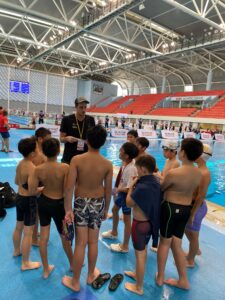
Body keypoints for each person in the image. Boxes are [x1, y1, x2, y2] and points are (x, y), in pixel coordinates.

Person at [62, 125, 113, 292]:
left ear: (87, 141)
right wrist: (105, 209)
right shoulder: (107, 164)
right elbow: (108, 189)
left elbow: (69, 187)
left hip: (81, 203)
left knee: (80, 244)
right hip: (98, 203)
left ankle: (75, 282)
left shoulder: (77, 160)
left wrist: (68, 209)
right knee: (93, 242)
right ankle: (91, 275)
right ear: (103, 143)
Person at [156, 138, 203, 290]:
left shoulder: (174, 173)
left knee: (164, 243)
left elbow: (162, 187)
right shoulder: (198, 173)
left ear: (182, 153)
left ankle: (160, 277)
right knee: (177, 244)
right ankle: (183, 280)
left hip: (170, 208)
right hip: (185, 210)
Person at [29, 138, 73, 279]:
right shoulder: (65, 168)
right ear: (58, 150)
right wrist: (68, 210)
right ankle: (73, 264)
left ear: (43, 151)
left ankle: (46, 269)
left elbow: (32, 191)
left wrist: (42, 188)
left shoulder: (38, 169)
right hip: (59, 205)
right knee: (65, 237)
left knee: (44, 237)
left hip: (44, 203)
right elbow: (67, 191)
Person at [124, 155, 161, 295]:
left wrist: (131, 186)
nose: (136, 171)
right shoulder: (156, 182)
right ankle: (136, 274)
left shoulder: (141, 186)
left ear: (143, 169)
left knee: (140, 255)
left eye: (137, 168)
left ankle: (138, 287)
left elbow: (129, 202)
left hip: (140, 225)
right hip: (151, 224)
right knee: (143, 251)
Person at [102, 142, 138, 253]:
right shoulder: (126, 163)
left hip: (127, 195)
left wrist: (117, 190)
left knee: (127, 220)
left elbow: (130, 188)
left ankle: (125, 246)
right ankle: (114, 232)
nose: (119, 152)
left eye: (121, 151)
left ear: (127, 155)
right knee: (114, 210)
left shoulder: (131, 168)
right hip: (122, 193)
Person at [12, 137, 41, 271]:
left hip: (19, 198)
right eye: (36, 148)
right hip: (29, 201)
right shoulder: (33, 168)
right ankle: (26, 263)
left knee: (19, 227)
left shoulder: (20, 164)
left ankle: (17, 251)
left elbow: (17, 182)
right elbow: (32, 191)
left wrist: (25, 185)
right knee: (28, 232)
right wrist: (44, 188)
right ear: (32, 154)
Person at [185, 144, 212, 267]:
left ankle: (190, 261)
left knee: (194, 236)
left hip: (197, 208)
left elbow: (201, 196)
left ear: (201, 156)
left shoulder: (204, 173)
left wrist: (192, 214)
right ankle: (194, 250)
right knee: (186, 230)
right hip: (193, 206)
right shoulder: (198, 170)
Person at [151, 140, 180, 253]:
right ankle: (156, 241)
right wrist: (158, 172)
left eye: (165, 150)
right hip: (162, 191)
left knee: (162, 219)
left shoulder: (176, 163)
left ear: (172, 151)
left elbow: (169, 181)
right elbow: (164, 176)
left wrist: (157, 175)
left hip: (167, 194)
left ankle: (159, 243)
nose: (163, 152)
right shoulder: (168, 160)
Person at [31, 127, 52, 246]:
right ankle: (34, 239)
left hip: (37, 186)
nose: (50, 142)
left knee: (36, 214)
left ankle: (34, 233)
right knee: (36, 215)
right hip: (36, 188)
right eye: (48, 139)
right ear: (40, 139)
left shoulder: (40, 151)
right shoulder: (36, 154)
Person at [60, 97, 95, 164]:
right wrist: (67, 138)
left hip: (85, 158)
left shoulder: (90, 120)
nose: (84, 110)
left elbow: (93, 140)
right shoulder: (67, 119)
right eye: (81, 107)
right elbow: (61, 139)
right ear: (76, 107)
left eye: (85, 107)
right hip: (69, 158)